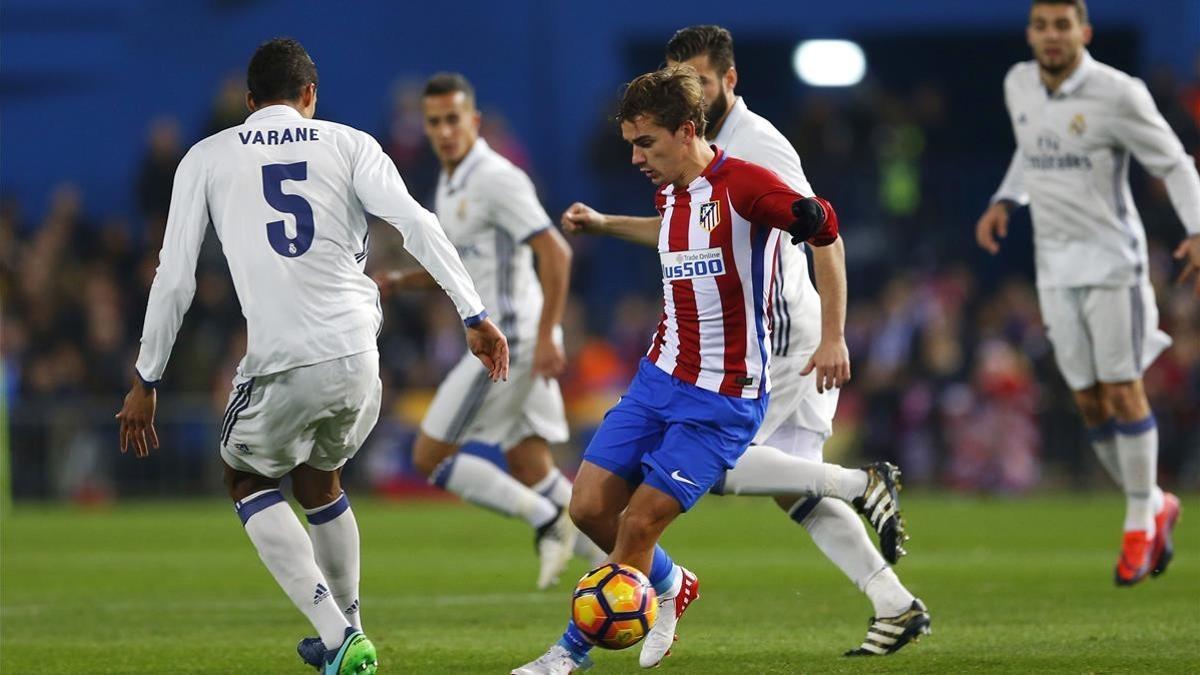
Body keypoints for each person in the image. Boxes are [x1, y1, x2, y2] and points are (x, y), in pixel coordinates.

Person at [115, 38, 508, 674]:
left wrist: (147, 376)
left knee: (244, 479)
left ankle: (336, 632)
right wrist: (474, 314)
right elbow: (417, 224)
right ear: (309, 96)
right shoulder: (349, 143)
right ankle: (349, 633)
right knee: (320, 483)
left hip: (282, 356)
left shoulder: (207, 157)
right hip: (358, 354)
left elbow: (175, 277)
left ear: (248, 103)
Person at [512, 65, 897, 675]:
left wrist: (832, 333)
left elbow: (825, 229)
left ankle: (570, 653)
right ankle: (675, 582)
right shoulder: (669, 189)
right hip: (657, 379)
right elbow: (674, 234)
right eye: (631, 144)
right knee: (587, 509)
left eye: (647, 143)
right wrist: (606, 224)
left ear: (687, 131)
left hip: (722, 398)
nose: (637, 157)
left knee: (637, 523)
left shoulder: (747, 186)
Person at [975, 0, 1198, 585]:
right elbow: (1033, 146)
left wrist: (1198, 229)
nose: (1051, 36)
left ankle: (1136, 527)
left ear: (1084, 32)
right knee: (1090, 402)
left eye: (1062, 26)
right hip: (1054, 269)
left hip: (1113, 266)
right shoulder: (1018, 83)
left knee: (1124, 391)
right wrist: (1005, 199)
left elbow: (1174, 163)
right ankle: (1156, 504)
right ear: (1031, 33)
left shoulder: (1118, 94)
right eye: (1042, 26)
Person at [375, 73, 602, 590]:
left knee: (429, 456)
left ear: (473, 121)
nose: (444, 130)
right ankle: (639, 569)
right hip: (510, 335)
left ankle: (548, 523)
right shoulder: (450, 182)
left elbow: (556, 252)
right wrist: (398, 281)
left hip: (512, 339)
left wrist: (547, 337)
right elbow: (457, 270)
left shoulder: (497, 177)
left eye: (454, 119)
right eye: (434, 122)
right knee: (530, 464)